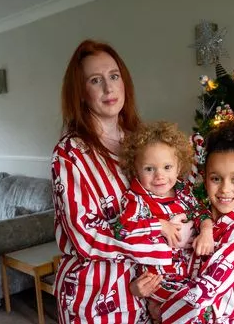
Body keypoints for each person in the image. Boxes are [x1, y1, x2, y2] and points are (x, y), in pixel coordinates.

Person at [51, 39, 173, 324]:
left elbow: (169, 194)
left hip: (148, 293)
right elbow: (85, 234)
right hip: (95, 298)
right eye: (95, 80)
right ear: (80, 92)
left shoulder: (142, 140)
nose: (109, 88)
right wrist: (157, 231)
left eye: (114, 76)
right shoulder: (69, 154)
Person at [159, 120, 234, 323]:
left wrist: (163, 311)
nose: (224, 189)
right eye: (216, 179)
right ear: (205, 179)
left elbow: (208, 287)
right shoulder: (192, 219)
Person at [115, 121, 215, 317]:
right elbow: (122, 230)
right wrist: (160, 225)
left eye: (167, 167)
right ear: (136, 169)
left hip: (190, 277)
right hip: (158, 281)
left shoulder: (184, 192)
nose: (159, 175)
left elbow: (201, 212)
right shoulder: (137, 199)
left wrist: (206, 231)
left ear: (178, 168)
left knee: (204, 306)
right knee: (191, 309)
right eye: (149, 169)